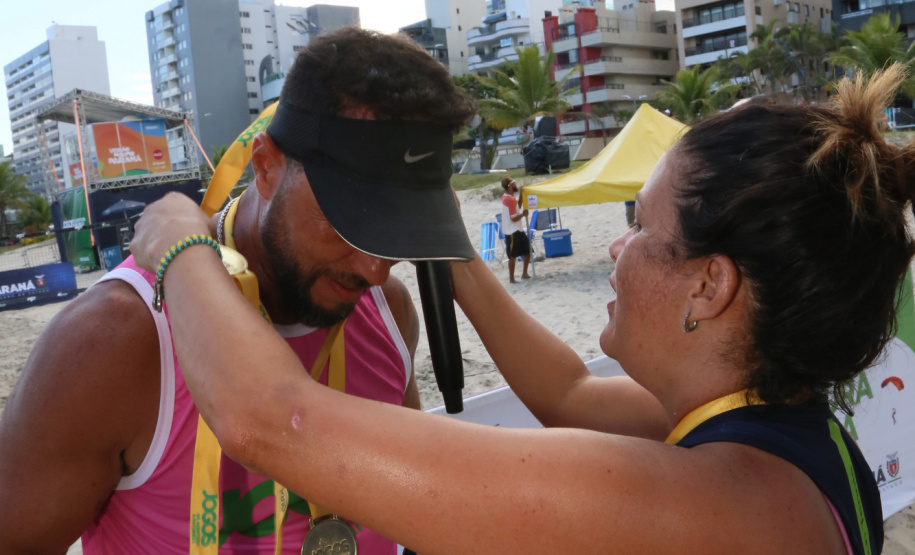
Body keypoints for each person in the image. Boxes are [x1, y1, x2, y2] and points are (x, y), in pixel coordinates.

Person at [126, 67, 906, 554]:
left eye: (639, 224)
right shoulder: (783, 428)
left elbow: (275, 422)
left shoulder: (705, 499)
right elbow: (564, 392)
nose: (617, 249)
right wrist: (448, 247)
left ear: (709, 286)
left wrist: (180, 245)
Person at [0, 28, 475, 554]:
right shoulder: (115, 340)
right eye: (351, 222)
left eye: (394, 232)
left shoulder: (389, 312)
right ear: (266, 167)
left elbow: (410, 506)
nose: (376, 268)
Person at [500, 176, 531, 282]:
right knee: (512, 256)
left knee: (528, 251)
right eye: (513, 183)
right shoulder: (509, 199)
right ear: (510, 186)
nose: (515, 184)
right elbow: (513, 218)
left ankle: (524, 273)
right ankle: (512, 279)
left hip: (517, 229)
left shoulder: (507, 197)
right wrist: (523, 214)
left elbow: (516, 207)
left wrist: (522, 194)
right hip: (512, 231)